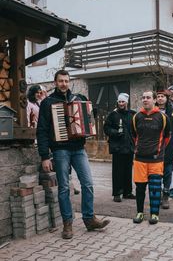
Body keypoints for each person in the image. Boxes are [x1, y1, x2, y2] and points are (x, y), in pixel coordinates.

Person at [37, 70, 110, 240]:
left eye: (66, 81)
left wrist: (91, 119)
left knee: (88, 184)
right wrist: (44, 156)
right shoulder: (48, 103)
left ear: (69, 82)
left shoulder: (78, 99)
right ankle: (67, 223)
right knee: (63, 188)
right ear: (55, 82)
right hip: (60, 149)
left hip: (78, 148)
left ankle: (89, 219)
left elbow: (90, 117)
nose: (64, 84)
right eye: (61, 81)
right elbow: (42, 131)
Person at [131, 90, 171, 225]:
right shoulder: (136, 117)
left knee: (155, 189)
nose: (145, 100)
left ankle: (154, 214)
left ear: (154, 100)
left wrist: (158, 150)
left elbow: (167, 137)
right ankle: (140, 213)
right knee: (140, 188)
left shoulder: (163, 117)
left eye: (148, 97)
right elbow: (133, 136)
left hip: (156, 160)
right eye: (143, 97)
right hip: (140, 159)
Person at [104, 93, 136, 203]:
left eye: (123, 102)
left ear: (127, 102)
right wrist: (115, 132)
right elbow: (106, 128)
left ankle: (127, 192)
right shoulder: (113, 115)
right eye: (119, 102)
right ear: (117, 102)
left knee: (128, 171)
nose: (121, 103)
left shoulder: (133, 114)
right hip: (117, 147)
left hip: (129, 147)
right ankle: (117, 193)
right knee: (117, 171)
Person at [156, 89, 173, 209]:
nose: (160, 98)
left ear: (166, 98)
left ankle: (165, 196)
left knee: (168, 173)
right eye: (158, 96)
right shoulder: (152, 111)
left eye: (162, 96)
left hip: (169, 148)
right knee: (156, 174)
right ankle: (156, 196)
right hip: (154, 148)